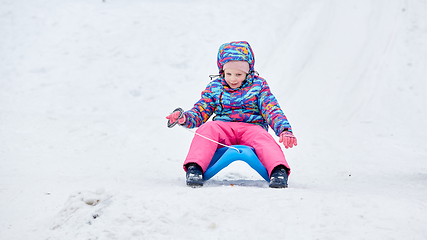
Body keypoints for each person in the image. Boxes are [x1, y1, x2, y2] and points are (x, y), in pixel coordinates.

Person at [166, 41, 297, 188]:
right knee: (207, 128)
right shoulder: (216, 87)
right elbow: (201, 109)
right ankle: (195, 167)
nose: (233, 79)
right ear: (222, 71)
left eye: (238, 74)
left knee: (263, 137)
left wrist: (284, 130)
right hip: (224, 128)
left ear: (248, 72)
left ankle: (278, 169)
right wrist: (184, 118)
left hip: (252, 128)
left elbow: (271, 109)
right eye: (228, 74)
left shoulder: (259, 86)